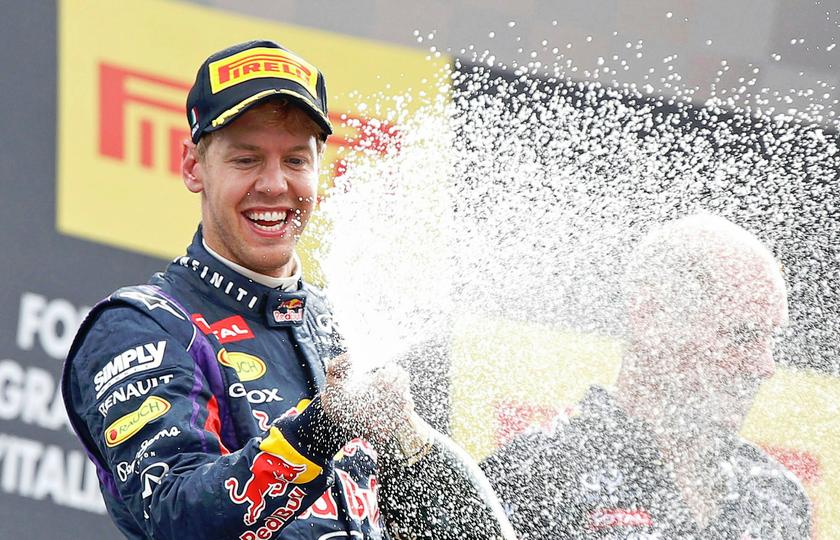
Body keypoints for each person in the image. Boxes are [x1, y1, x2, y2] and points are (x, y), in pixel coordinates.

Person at [62, 40, 514, 540]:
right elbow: (176, 518)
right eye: (246, 159)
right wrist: (320, 427)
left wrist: (412, 446)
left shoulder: (343, 325)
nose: (275, 185)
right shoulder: (142, 325)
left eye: (296, 160)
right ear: (194, 167)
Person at [482, 214, 812, 539]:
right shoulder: (529, 476)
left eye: (771, 338)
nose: (764, 366)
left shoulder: (775, 494)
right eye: (741, 335)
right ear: (652, 317)